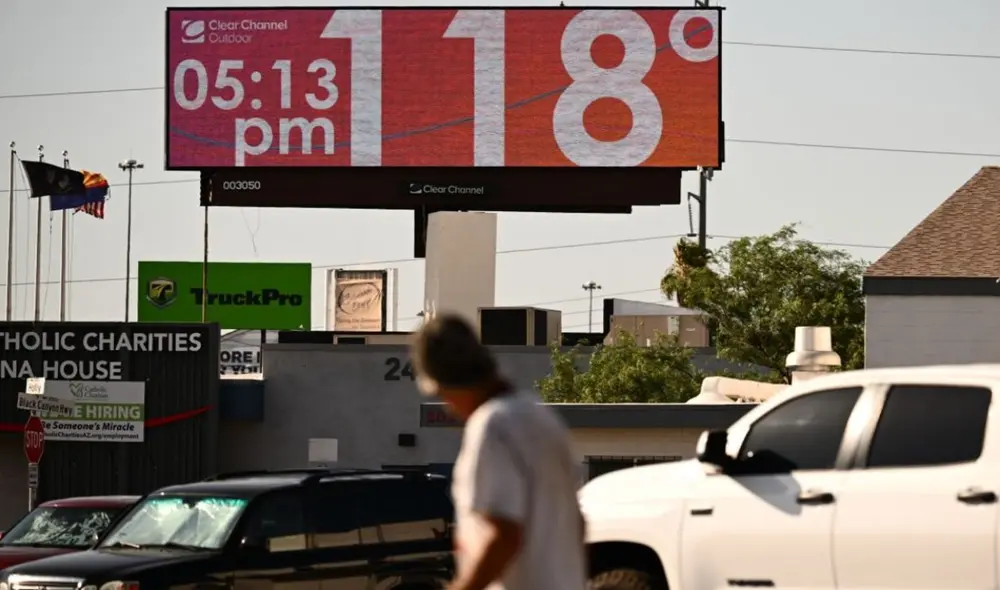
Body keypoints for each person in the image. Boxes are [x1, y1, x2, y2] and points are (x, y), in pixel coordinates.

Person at [411, 314, 586, 590]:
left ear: (450, 382)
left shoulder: (492, 427)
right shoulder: (540, 417)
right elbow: (577, 523)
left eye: (442, 394)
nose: (447, 406)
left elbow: (505, 534)